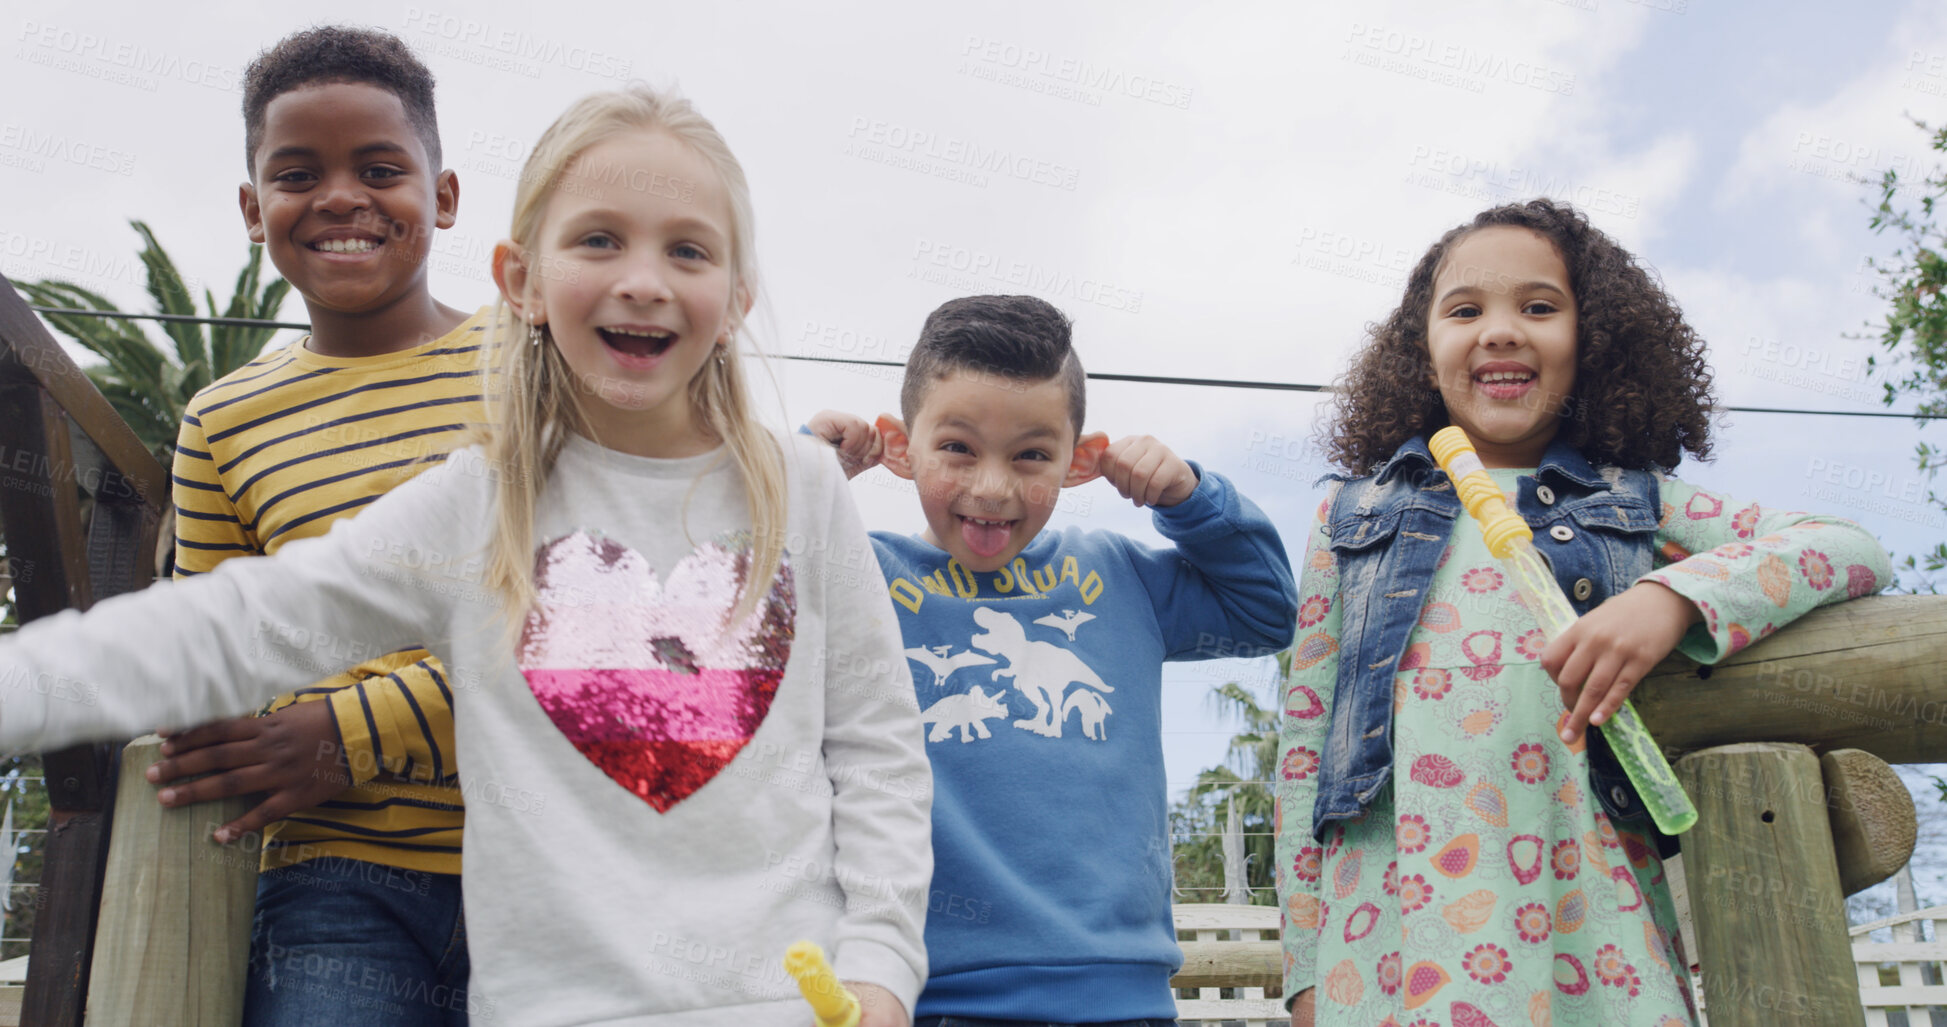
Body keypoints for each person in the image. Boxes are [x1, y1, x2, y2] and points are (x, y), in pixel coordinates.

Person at [0, 84, 930, 1027]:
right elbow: (231, 625)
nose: (643, 278)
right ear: (520, 279)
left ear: (736, 297)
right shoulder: (475, 505)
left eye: (685, 249)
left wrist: (883, 969)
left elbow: (879, 751)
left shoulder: (800, 490)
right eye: (599, 239)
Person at [1274, 198, 1892, 1026]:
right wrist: (1306, 969)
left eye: (1537, 306)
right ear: (1421, 354)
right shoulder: (1350, 518)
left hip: (1594, 910)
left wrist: (1670, 598)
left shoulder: (1634, 502)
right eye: (1465, 310)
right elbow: (1303, 748)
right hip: (1386, 931)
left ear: (1593, 344)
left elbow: (1846, 544)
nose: (1498, 330)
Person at [809, 294, 1298, 1025]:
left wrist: (1191, 499)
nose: (993, 487)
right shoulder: (859, 573)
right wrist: (804, 476)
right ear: (900, 448)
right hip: (921, 992)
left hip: (1120, 994)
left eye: (1032, 454)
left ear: (1078, 463)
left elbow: (1266, 611)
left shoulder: (1120, 572)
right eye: (958, 448)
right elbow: (736, 592)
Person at [149, 27, 486, 1024]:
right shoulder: (220, 422)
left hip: (558, 855)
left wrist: (352, 731)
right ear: (255, 211)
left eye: (381, 169)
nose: (341, 196)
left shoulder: (538, 372)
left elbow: (578, 628)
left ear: (447, 196)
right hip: (336, 879)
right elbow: (215, 654)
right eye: (299, 174)